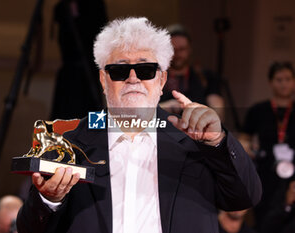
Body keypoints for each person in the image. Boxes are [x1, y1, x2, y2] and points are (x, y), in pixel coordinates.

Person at [17, 17, 261, 233]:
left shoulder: (196, 139)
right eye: (119, 70)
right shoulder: (70, 142)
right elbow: (30, 228)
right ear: (103, 79)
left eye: (145, 69)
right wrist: (49, 199)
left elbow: (246, 196)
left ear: (162, 78)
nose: (133, 78)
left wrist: (217, 142)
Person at [239, 61, 295, 230]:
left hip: (293, 175)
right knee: (264, 221)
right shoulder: (259, 110)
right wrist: (248, 149)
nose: (284, 84)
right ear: (271, 82)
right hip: (266, 174)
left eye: (287, 79)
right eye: (279, 79)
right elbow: (244, 138)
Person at [50, 0, 108, 120]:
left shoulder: (95, 7)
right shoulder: (63, 8)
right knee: (64, 124)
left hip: (88, 75)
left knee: (92, 126)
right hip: (70, 76)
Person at [159, 24, 224, 117]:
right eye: (173, 49)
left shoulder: (206, 77)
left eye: (182, 49)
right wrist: (162, 108)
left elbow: (218, 111)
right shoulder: (153, 77)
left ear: (189, 50)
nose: (177, 54)